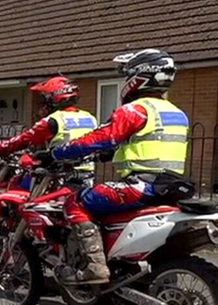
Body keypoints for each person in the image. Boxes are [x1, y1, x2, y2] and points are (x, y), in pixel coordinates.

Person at [34, 49, 189, 284]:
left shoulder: (136, 110)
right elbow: (146, 144)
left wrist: (56, 152)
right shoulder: (177, 113)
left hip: (140, 185)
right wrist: (107, 154)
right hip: (171, 186)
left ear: (138, 77)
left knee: (75, 202)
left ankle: (95, 267)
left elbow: (98, 138)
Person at [0, 76, 97, 178]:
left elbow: (23, 139)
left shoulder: (54, 120)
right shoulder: (90, 118)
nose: (42, 104)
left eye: (44, 99)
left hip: (59, 175)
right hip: (88, 174)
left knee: (28, 201)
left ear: (54, 98)